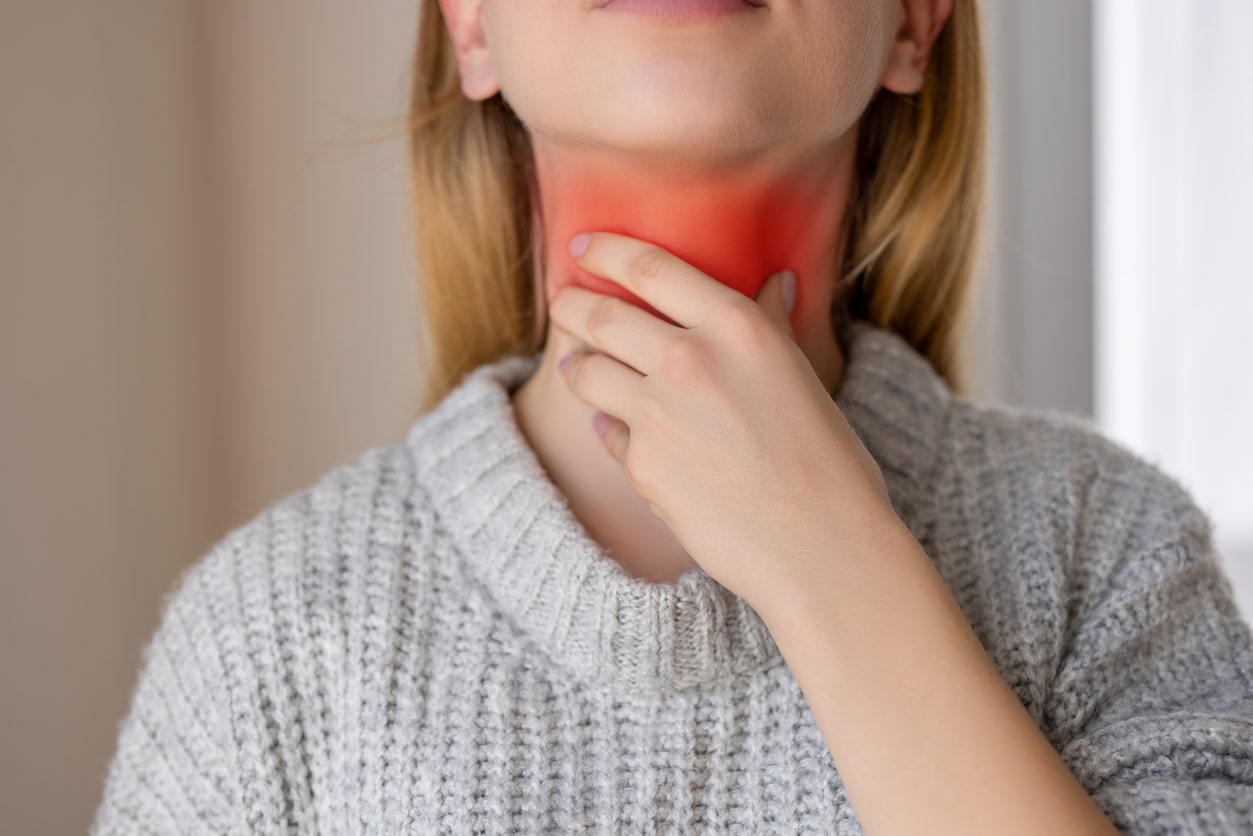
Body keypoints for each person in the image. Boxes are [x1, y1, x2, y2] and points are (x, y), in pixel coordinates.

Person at [93, 1, 1253, 833]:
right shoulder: (266, 636)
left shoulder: (1108, 555)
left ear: (913, 22)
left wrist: (832, 563)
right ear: (470, 27)